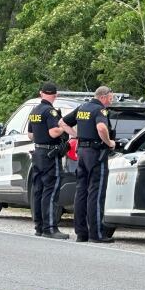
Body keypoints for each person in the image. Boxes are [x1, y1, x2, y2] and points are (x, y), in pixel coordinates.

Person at [60, 86, 116, 243]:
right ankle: (96, 234)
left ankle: (81, 233)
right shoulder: (100, 110)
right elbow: (101, 127)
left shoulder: (82, 108)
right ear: (103, 97)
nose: (111, 101)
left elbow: (62, 122)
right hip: (96, 154)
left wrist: (77, 136)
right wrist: (109, 142)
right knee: (96, 194)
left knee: (81, 193)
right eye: (110, 98)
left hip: (82, 153)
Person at [26, 82, 69, 239]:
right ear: (55, 95)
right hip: (50, 155)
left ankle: (39, 227)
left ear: (41, 93)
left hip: (37, 153)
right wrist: (65, 126)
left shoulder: (35, 111)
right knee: (50, 191)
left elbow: (30, 135)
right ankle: (50, 228)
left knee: (38, 191)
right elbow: (53, 132)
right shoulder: (50, 111)